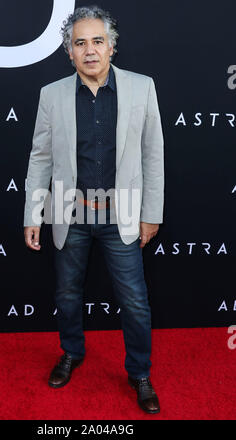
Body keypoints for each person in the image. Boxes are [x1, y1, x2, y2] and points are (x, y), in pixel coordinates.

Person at [24, 5, 164, 414]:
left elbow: (153, 155)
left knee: (135, 301)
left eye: (97, 41)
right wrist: (34, 214)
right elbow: (40, 158)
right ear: (69, 52)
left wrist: (150, 212)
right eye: (79, 43)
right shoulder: (51, 95)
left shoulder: (142, 88)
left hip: (122, 214)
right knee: (67, 294)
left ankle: (140, 373)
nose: (89, 50)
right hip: (72, 213)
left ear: (111, 48)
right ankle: (71, 352)